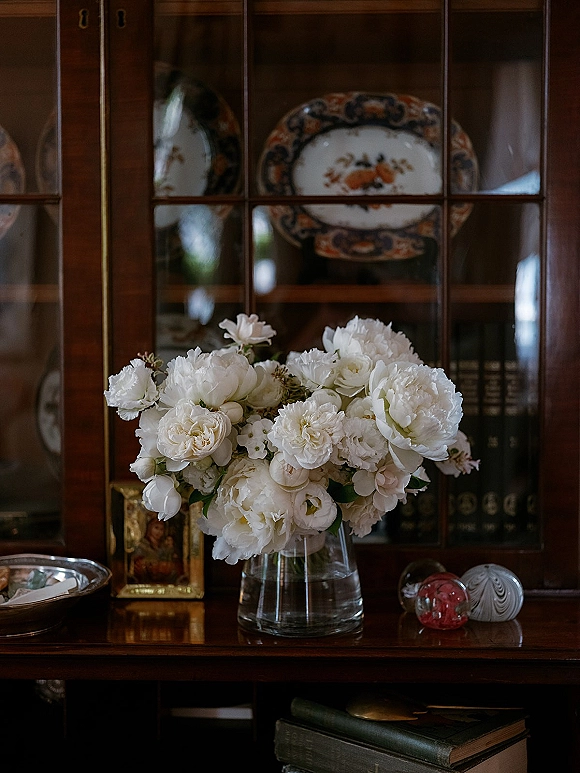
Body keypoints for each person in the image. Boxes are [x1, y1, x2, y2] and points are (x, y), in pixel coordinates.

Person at [129, 517, 184, 584]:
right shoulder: (142, 546)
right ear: (150, 528)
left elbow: (175, 568)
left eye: (161, 529)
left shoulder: (165, 548)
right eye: (156, 528)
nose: (158, 532)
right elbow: (137, 568)